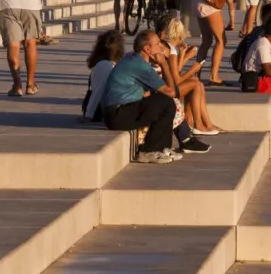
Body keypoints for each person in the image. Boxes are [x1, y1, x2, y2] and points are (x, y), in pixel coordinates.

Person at [102, 31, 183, 164]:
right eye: (157, 44)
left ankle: (162, 148)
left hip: (116, 113)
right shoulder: (141, 66)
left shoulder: (133, 59)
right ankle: (149, 151)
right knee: (167, 102)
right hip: (118, 115)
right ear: (147, 49)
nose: (161, 48)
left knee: (163, 101)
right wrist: (164, 64)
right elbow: (171, 92)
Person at [156, 17, 221, 136]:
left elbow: (174, 70)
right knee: (195, 83)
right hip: (164, 89)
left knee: (195, 81)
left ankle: (203, 123)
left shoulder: (166, 47)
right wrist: (194, 69)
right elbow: (177, 79)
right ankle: (198, 124)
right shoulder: (170, 50)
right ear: (180, 35)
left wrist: (183, 56)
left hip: (162, 85)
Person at [83, 30, 124, 121]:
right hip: (105, 111)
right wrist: (89, 115)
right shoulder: (104, 66)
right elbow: (98, 92)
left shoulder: (110, 64)